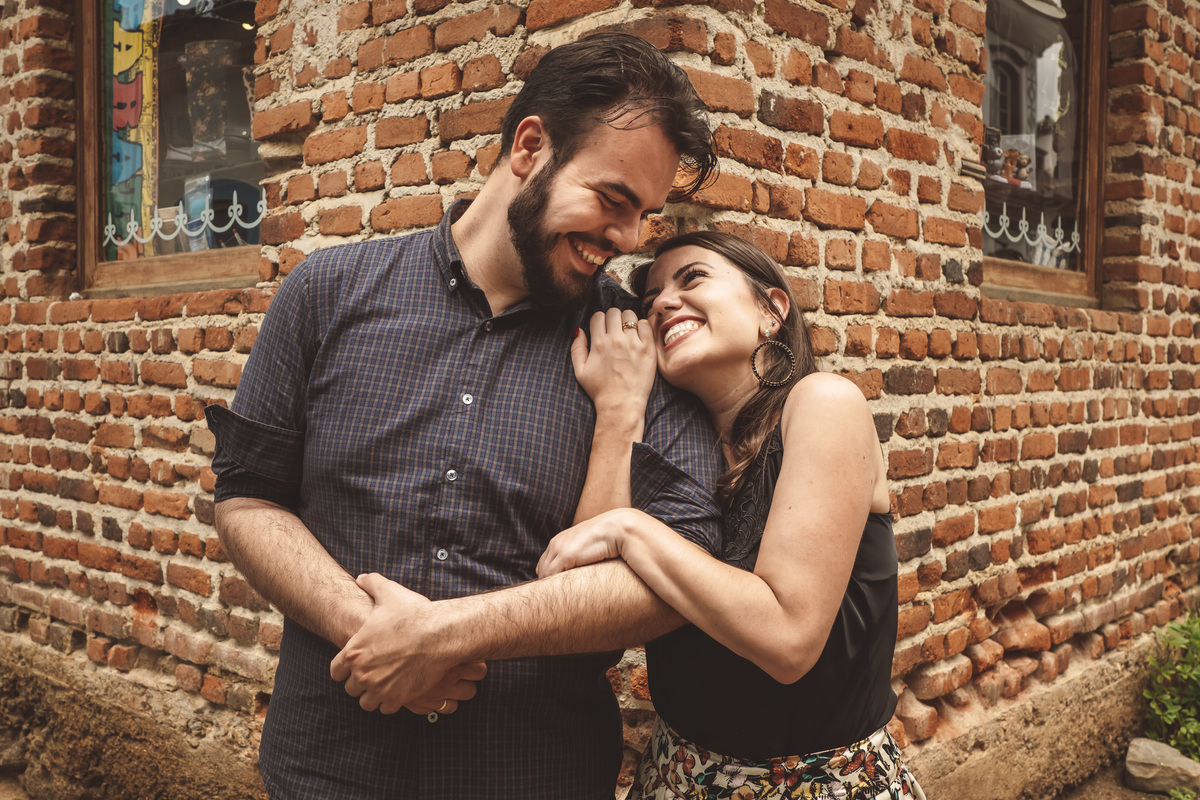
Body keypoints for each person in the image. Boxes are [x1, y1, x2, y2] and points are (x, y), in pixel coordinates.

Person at [206, 33, 725, 799]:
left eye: (643, 216)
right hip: (328, 769)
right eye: (614, 200)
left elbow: (674, 580)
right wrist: (369, 632)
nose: (625, 239)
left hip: (533, 774)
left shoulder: (638, 349)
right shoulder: (326, 292)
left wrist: (446, 634)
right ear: (529, 146)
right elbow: (248, 497)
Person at [537, 231, 927, 799]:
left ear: (771, 310)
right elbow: (587, 608)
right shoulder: (677, 445)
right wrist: (618, 412)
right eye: (649, 301)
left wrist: (631, 529)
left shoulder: (822, 404)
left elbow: (787, 640)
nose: (663, 302)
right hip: (675, 777)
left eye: (691, 278)